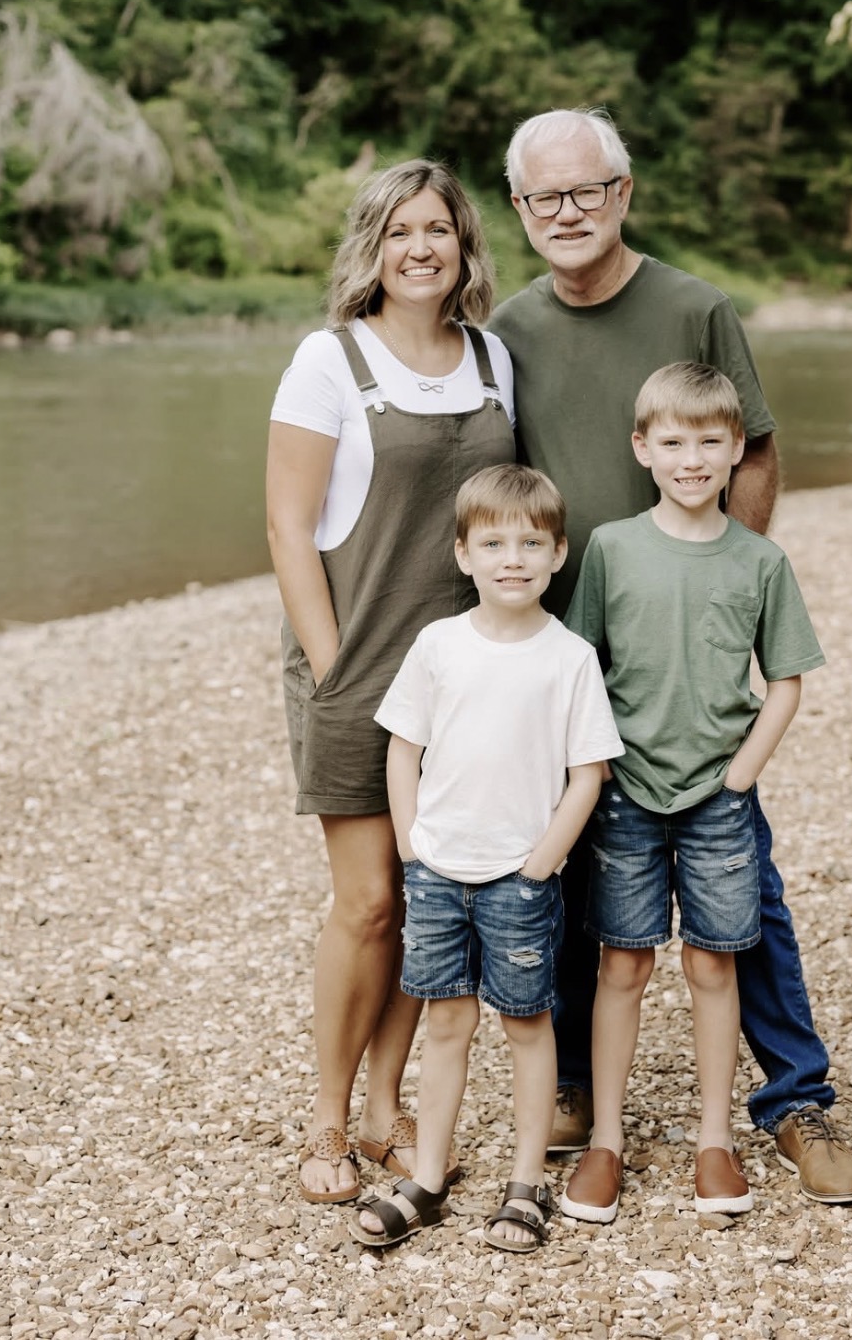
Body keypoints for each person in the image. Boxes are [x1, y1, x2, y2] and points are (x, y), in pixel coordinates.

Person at [490, 107, 852, 1205]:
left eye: (586, 189)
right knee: (573, 874)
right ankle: (574, 1085)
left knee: (743, 891)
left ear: (623, 192)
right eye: (545, 196)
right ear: (520, 209)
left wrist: (727, 604)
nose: (567, 211)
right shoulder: (507, 331)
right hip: (572, 650)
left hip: (692, 661)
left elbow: (756, 450)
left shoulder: (694, 308)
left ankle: (792, 1096)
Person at [266, 160, 516, 1205]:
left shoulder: (494, 358)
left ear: (464, 245)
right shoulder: (327, 359)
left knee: (425, 902)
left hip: (465, 677)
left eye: (439, 230)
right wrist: (334, 672)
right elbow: (288, 527)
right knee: (367, 902)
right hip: (358, 665)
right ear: (371, 247)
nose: (421, 248)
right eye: (400, 231)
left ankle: (385, 1107)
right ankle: (326, 1119)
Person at [560, 363, 825, 1222]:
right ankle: (606, 1142)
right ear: (642, 448)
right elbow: (579, 667)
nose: (692, 459)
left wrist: (740, 775)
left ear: (737, 447)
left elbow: (784, 681)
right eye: (673, 442)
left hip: (718, 799)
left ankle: (716, 1140)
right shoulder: (612, 548)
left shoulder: (760, 560)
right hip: (626, 795)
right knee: (623, 963)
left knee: (714, 962)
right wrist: (593, 766)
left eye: (710, 441)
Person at [352, 465, 623, 1252]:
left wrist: (542, 863)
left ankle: (526, 1183)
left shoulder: (568, 658)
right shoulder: (438, 645)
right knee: (447, 1022)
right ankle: (427, 1180)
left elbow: (588, 773)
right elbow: (403, 750)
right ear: (463, 554)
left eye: (531, 544)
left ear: (558, 553)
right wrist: (411, 845)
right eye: (494, 543)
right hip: (438, 873)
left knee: (528, 1025)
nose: (513, 559)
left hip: (519, 879)